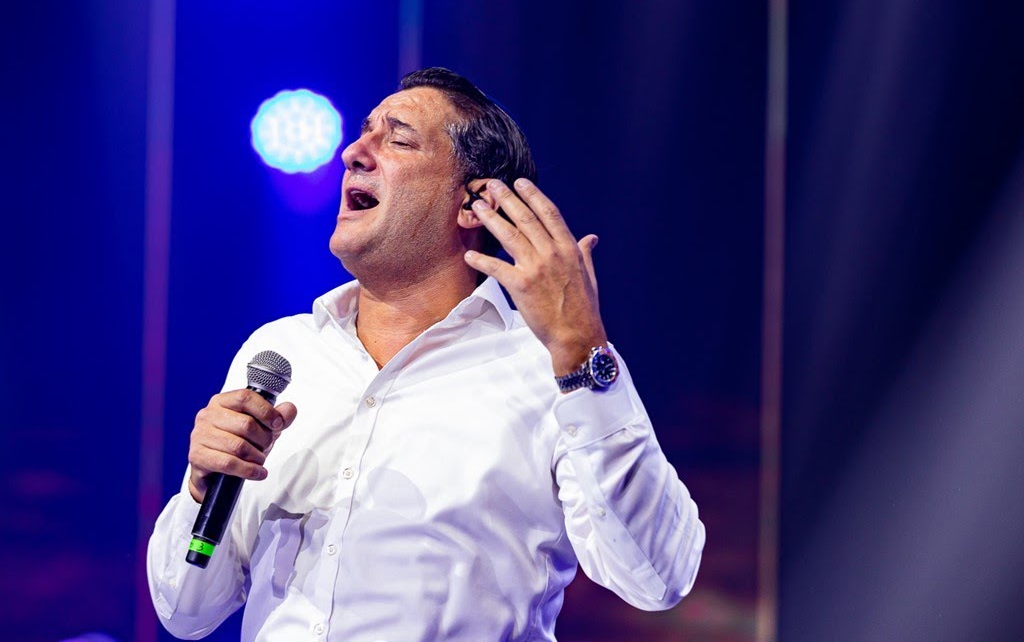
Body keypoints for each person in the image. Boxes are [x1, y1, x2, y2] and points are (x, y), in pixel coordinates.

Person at [147, 67, 704, 641]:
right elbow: (185, 611)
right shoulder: (283, 352)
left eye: (398, 139)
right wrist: (201, 487)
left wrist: (581, 350)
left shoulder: (551, 369)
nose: (352, 154)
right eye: (363, 133)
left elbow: (658, 576)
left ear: (475, 203)